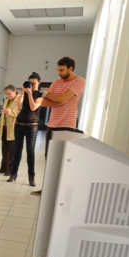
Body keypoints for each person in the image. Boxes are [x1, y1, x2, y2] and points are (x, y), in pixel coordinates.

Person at [32, 57, 86, 195]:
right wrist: (56, 100)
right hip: (52, 125)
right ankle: (48, 190)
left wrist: (51, 95)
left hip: (67, 126)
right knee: (50, 159)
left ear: (70, 69)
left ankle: (62, 191)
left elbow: (61, 98)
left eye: (62, 70)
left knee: (64, 161)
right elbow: (44, 102)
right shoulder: (57, 82)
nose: (59, 73)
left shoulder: (79, 81)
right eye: (58, 70)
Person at [11, 72, 42, 186]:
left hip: (32, 125)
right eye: (30, 83)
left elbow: (33, 107)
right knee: (17, 150)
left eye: (34, 83)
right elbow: (18, 105)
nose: (32, 86)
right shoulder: (24, 93)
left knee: (30, 151)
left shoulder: (40, 95)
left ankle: (31, 177)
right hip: (19, 124)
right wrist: (23, 92)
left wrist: (29, 93)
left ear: (39, 83)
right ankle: (13, 174)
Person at [0, 85, 20, 178]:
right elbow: (3, 114)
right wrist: (0, 126)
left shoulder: (20, 100)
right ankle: (4, 167)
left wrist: (10, 112)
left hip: (13, 127)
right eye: (6, 94)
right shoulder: (7, 100)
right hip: (5, 126)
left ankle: (10, 169)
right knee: (5, 148)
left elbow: (20, 113)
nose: (8, 96)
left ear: (15, 91)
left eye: (9, 93)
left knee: (12, 150)